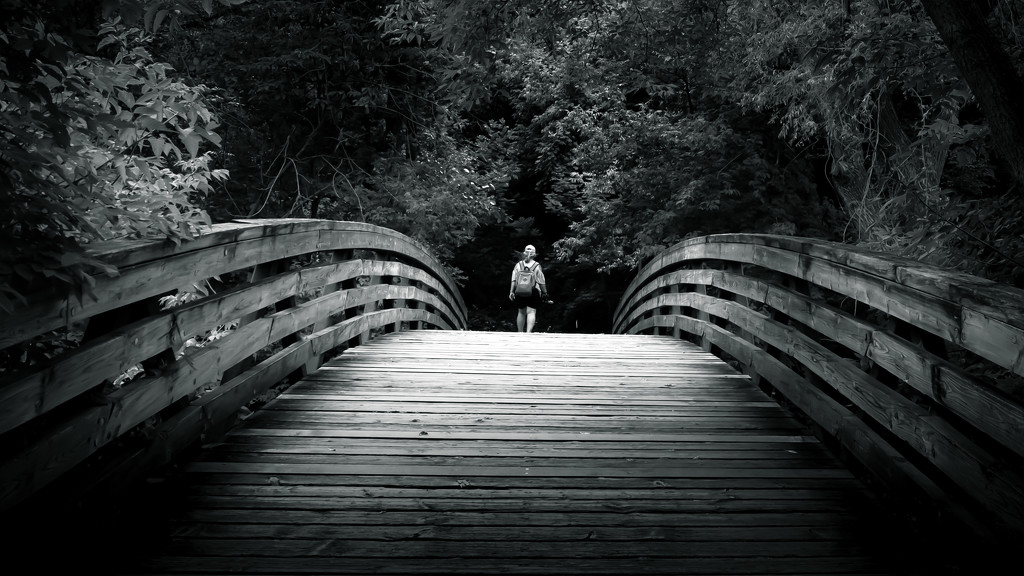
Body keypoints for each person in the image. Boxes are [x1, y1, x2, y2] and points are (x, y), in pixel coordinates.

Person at [508, 244, 550, 333]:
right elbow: (541, 281)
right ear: (534, 254)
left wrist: (511, 291)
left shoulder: (518, 265)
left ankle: (520, 332)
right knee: (531, 312)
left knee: (521, 312)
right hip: (533, 290)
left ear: (524, 253)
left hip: (519, 290)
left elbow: (513, 280)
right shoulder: (537, 265)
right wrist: (545, 293)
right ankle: (528, 332)